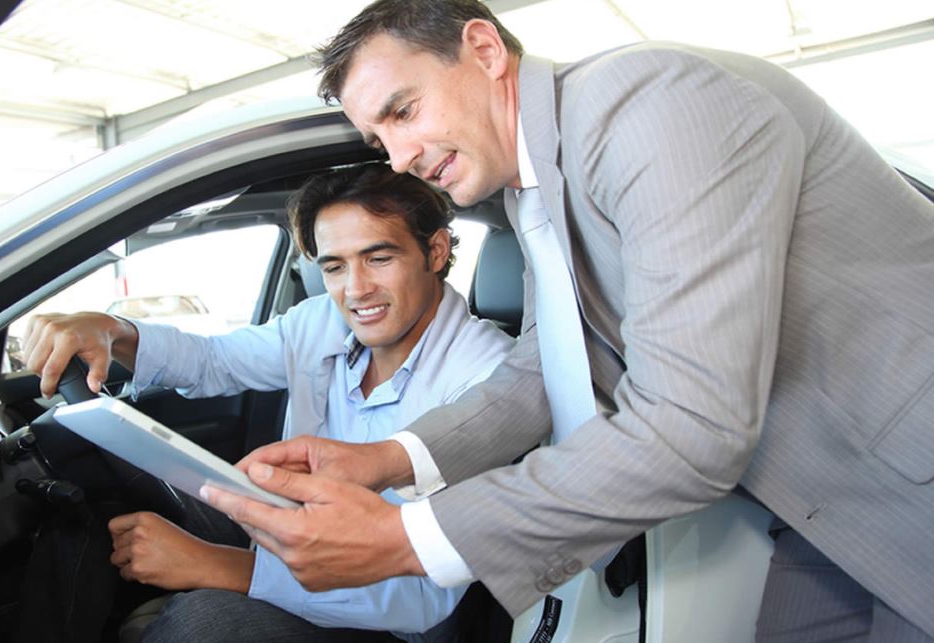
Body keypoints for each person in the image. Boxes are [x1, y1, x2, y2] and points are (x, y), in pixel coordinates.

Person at [200, 1, 934, 640]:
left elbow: (691, 425)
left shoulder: (648, 109)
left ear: (484, 51)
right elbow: (545, 365)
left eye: (403, 111)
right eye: (379, 139)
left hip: (910, 478)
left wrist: (410, 537)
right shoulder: (536, 184)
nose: (400, 158)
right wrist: (387, 460)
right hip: (825, 502)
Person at [23, 163, 514, 642]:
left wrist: (220, 566)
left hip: (389, 618)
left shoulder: (488, 377)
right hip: (287, 532)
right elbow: (214, 360)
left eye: (379, 258)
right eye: (335, 266)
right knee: (88, 474)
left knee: (205, 620)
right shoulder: (323, 319)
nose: (356, 290)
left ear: (434, 251)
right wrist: (114, 332)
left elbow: (423, 597)